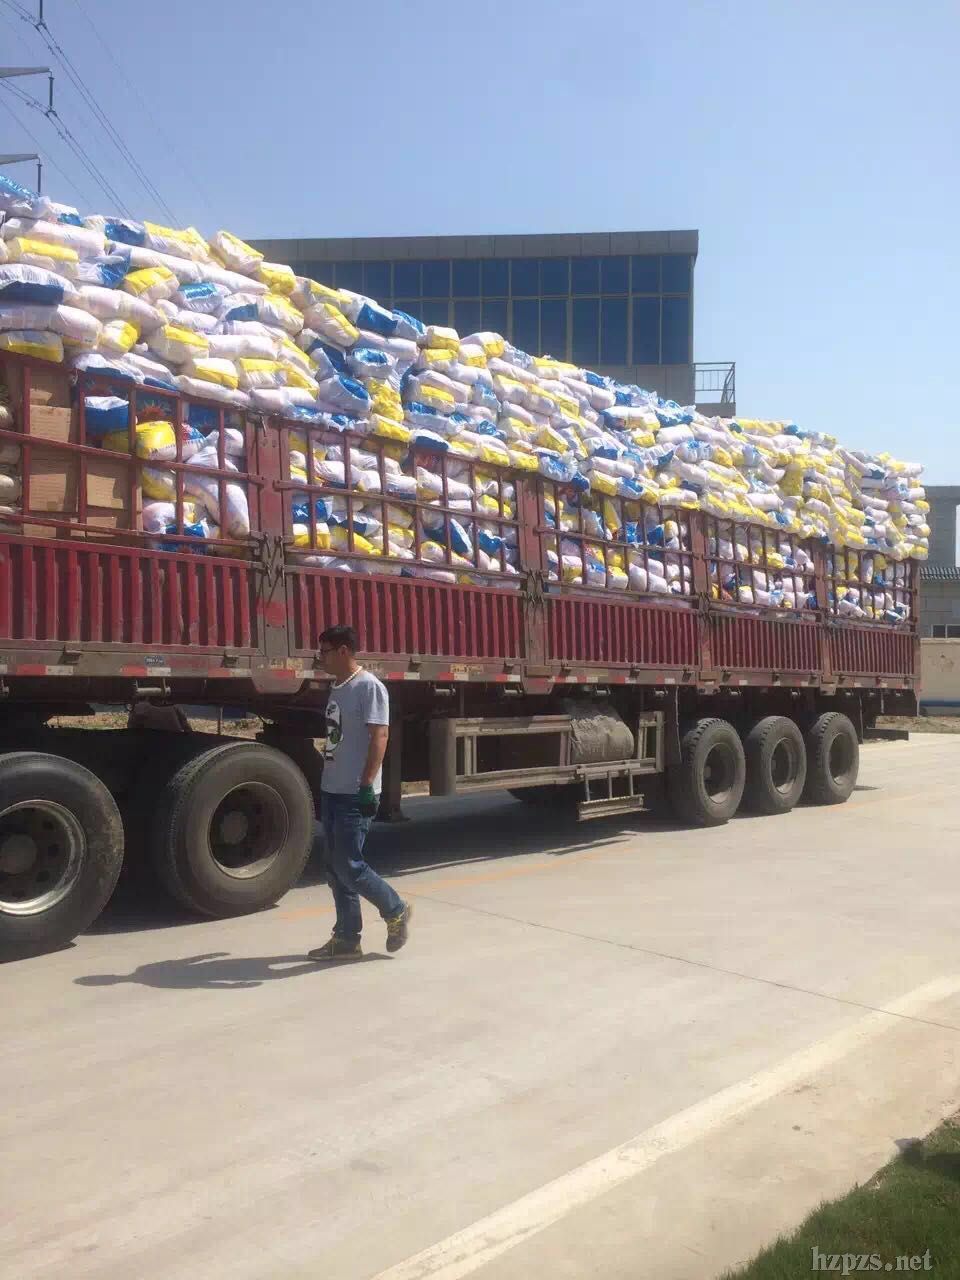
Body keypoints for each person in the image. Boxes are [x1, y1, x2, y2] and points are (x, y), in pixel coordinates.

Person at [308, 624, 412, 961]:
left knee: (350, 866)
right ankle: (347, 938)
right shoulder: (338, 688)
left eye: (324, 651)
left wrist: (367, 784)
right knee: (334, 869)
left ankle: (395, 909)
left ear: (343, 651)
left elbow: (380, 736)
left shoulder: (369, 687)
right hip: (332, 789)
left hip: (355, 792)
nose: (320, 658)